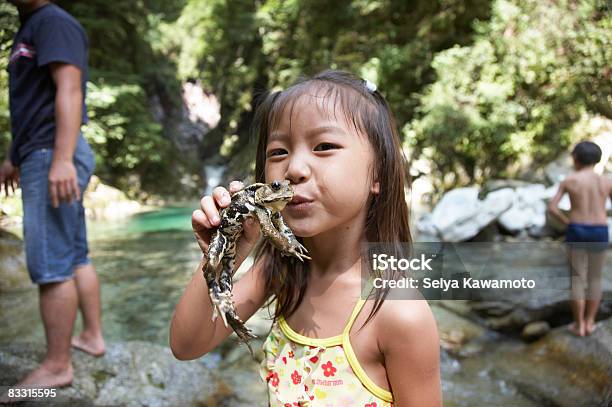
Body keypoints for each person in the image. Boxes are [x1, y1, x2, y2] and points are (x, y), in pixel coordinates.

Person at [170, 70, 442, 406]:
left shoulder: (399, 314)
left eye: (324, 146)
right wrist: (222, 253)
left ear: (378, 174)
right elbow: (187, 344)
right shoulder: (278, 271)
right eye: (278, 152)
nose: (294, 168)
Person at [0, 0, 104, 391]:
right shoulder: (32, 26)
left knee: (50, 263)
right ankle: (92, 337)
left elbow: (70, 89)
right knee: (74, 253)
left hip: (52, 152)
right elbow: (31, 103)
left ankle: (57, 366)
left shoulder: (53, 22)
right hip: (43, 149)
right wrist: (13, 155)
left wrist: (60, 159)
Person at [548, 141, 611, 337]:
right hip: (599, 229)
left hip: (577, 229)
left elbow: (552, 207)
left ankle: (578, 324)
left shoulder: (569, 180)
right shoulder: (606, 181)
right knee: (595, 278)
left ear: (575, 159)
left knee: (577, 279)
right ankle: (591, 322)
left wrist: (566, 222)